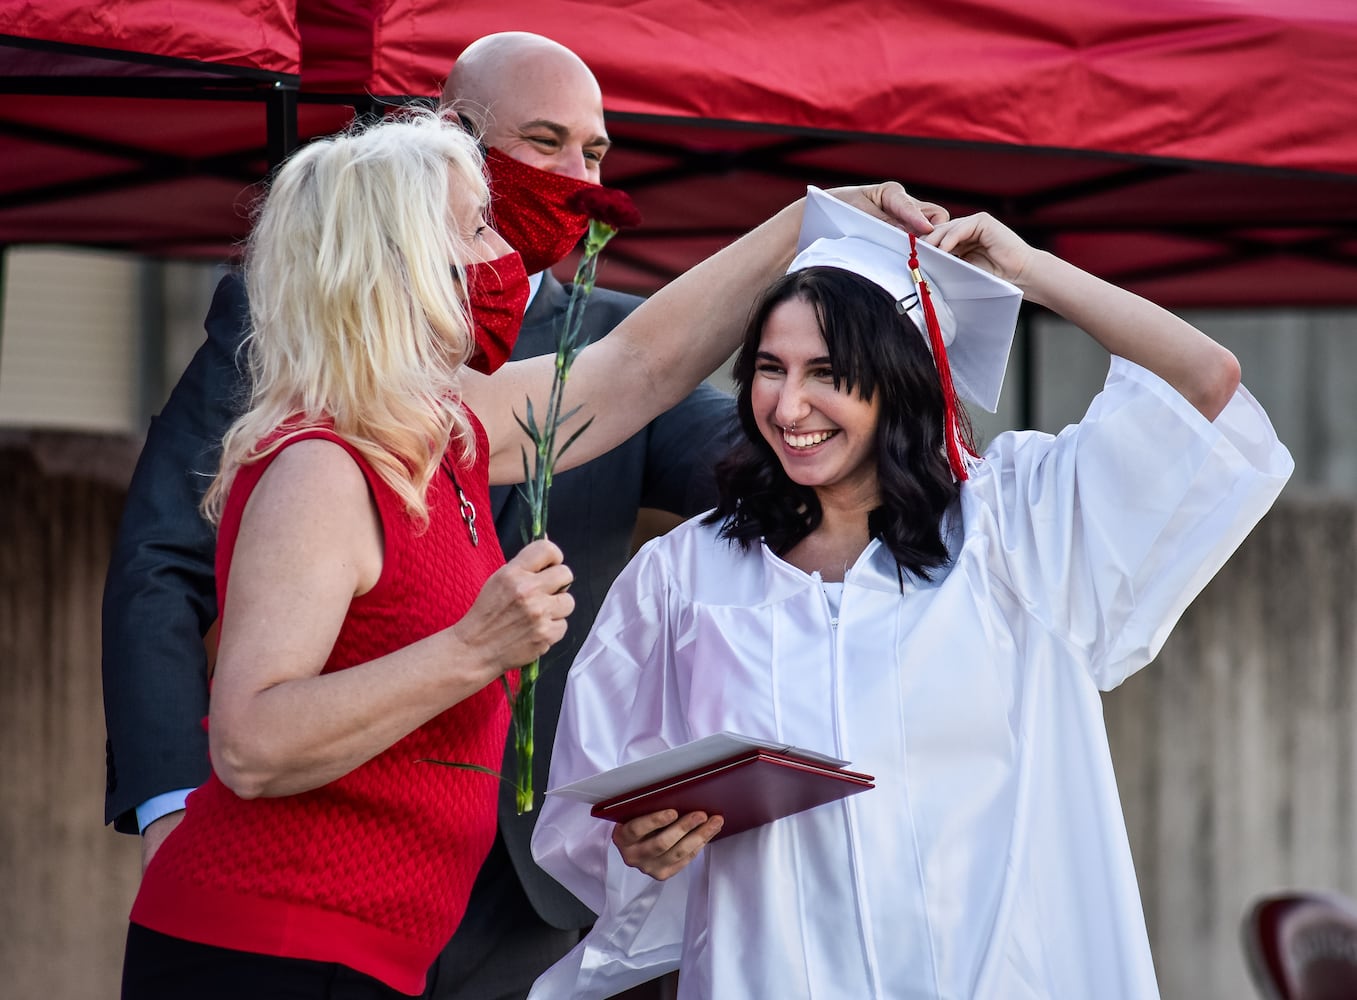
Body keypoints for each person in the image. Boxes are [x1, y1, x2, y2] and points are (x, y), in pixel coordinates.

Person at [115, 110, 935, 999]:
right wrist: (476, 646)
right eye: (474, 228)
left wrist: (809, 221)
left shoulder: (440, 436)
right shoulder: (325, 465)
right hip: (266, 951)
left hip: (361, 956)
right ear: (396, 263)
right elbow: (252, 744)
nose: (502, 253)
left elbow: (637, 369)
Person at [530, 189, 1295, 999]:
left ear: (899, 382)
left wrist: (1030, 270)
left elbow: (1204, 383)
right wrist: (643, 849)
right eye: (768, 369)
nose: (788, 407)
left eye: (827, 373)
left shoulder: (1015, 531)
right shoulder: (683, 576)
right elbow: (597, 817)